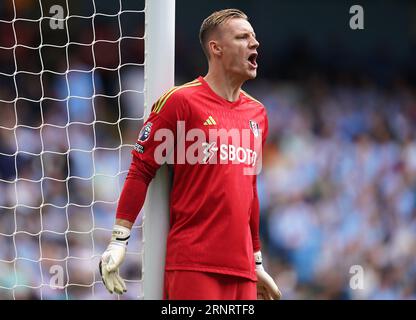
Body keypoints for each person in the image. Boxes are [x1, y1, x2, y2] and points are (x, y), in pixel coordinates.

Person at [99, 8, 281, 300]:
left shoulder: (257, 114)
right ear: (216, 48)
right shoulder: (181, 102)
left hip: (243, 271)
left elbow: (250, 190)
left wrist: (257, 261)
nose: (254, 43)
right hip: (194, 266)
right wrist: (119, 240)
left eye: (254, 37)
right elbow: (140, 169)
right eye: (243, 37)